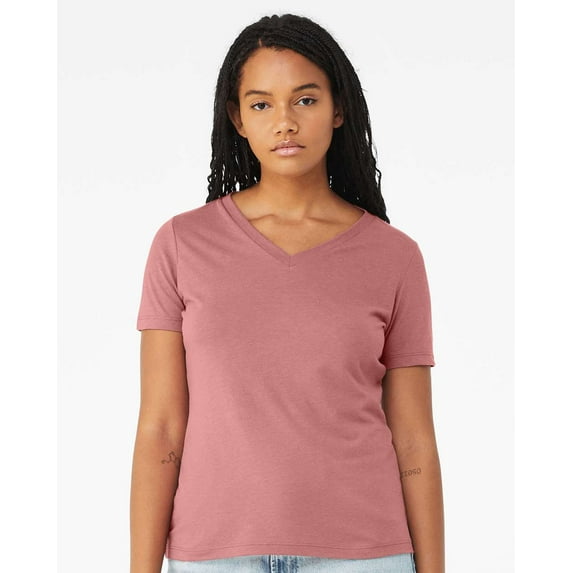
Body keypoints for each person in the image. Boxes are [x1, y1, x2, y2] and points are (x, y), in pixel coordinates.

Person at [130, 13, 444, 573]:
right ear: (237, 118)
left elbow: (414, 439)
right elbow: (160, 429)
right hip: (215, 555)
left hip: (363, 554)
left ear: (338, 108)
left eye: (305, 100)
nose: (285, 122)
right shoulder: (182, 244)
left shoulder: (394, 256)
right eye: (261, 104)